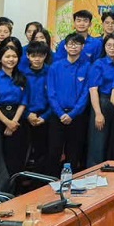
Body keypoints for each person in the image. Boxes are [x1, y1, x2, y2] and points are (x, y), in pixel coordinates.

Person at [45, 33, 90, 176]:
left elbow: (85, 94)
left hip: (77, 117)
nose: (73, 46)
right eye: (70, 44)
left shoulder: (87, 67)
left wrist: (72, 114)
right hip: (57, 116)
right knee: (53, 152)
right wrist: (60, 113)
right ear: (65, 46)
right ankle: (50, 182)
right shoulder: (55, 67)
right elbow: (51, 92)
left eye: (77, 44)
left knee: (74, 153)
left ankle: (71, 183)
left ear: (82, 47)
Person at [0, 44, 29, 174]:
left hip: (17, 119)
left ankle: (15, 185)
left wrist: (14, 122)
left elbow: (24, 101)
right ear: (0, 59)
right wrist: (7, 122)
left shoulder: (22, 77)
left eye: (14, 56)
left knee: (16, 157)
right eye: (7, 56)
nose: (11, 59)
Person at [87, 34, 114, 166]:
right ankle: (94, 171)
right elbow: (93, 89)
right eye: (109, 45)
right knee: (98, 141)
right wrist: (98, 113)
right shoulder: (99, 64)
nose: (112, 48)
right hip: (103, 103)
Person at [22, 42, 51, 171]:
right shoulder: (22, 74)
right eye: (33, 56)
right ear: (28, 56)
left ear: (45, 56)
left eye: (40, 56)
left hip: (45, 116)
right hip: (26, 116)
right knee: (23, 151)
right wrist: (27, 114)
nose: (37, 59)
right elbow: (19, 97)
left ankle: (40, 179)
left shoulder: (51, 72)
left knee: (44, 153)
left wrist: (45, 116)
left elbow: (55, 97)